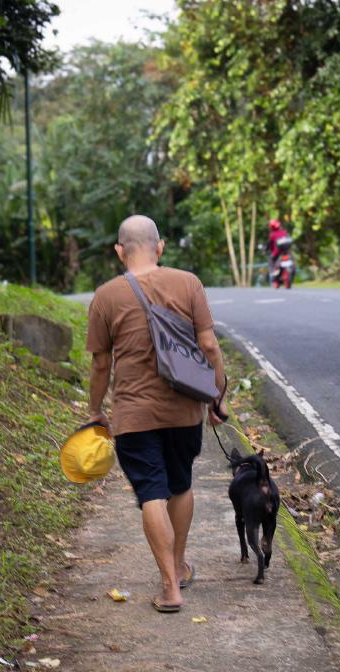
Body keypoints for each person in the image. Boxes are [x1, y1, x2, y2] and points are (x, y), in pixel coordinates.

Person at [86, 215, 229, 613]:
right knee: (180, 484)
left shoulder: (105, 296)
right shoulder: (188, 283)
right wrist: (218, 397)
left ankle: (170, 587)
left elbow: (101, 365)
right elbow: (210, 346)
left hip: (133, 414)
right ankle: (179, 566)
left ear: (119, 251)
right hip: (185, 408)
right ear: (160, 247)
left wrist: (96, 410)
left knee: (152, 491)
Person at [266, 219, 289, 284]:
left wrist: (266, 249)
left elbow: (269, 244)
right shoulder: (284, 232)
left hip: (276, 253)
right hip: (286, 252)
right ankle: (276, 272)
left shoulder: (272, 235)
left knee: (270, 259)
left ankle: (273, 272)